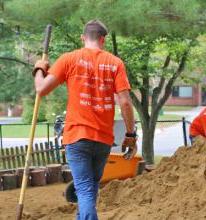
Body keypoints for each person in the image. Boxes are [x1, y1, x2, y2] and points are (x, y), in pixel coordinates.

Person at [32, 20, 137, 220]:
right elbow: (125, 102)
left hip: (77, 136)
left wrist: (39, 68)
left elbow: (41, 88)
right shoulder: (115, 63)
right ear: (103, 39)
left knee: (86, 190)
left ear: (83, 38)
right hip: (103, 139)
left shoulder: (69, 59)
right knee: (90, 189)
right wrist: (131, 134)